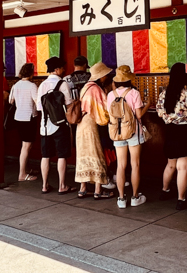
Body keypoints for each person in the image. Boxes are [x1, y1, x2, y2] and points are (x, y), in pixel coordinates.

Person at [108, 67, 150, 208]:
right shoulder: (134, 93)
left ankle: (121, 199)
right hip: (133, 132)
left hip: (117, 133)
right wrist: (148, 104)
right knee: (135, 164)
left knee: (121, 165)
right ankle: (135, 196)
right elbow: (138, 115)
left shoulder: (110, 95)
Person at [72, 61, 113, 199]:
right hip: (91, 125)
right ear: (101, 76)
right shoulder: (96, 89)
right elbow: (105, 109)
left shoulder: (85, 87)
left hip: (80, 126)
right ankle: (97, 190)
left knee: (83, 156)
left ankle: (83, 188)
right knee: (96, 154)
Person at [157, 61, 187, 209]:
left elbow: (160, 112)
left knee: (171, 164)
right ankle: (181, 199)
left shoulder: (164, 93)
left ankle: (165, 191)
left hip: (170, 131)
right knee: (183, 167)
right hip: (184, 132)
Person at [36, 56, 73, 194]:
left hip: (45, 126)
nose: (63, 70)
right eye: (62, 68)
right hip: (60, 124)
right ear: (57, 69)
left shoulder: (42, 85)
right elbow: (68, 104)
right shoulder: (62, 84)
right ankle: (62, 185)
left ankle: (44, 185)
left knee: (45, 156)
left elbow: (39, 107)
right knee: (62, 155)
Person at [10, 63, 39, 182]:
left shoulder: (16, 85)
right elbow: (38, 103)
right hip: (29, 117)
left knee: (26, 145)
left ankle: (26, 169)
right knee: (26, 146)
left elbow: (11, 101)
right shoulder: (32, 86)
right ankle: (22, 174)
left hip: (19, 117)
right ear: (31, 73)